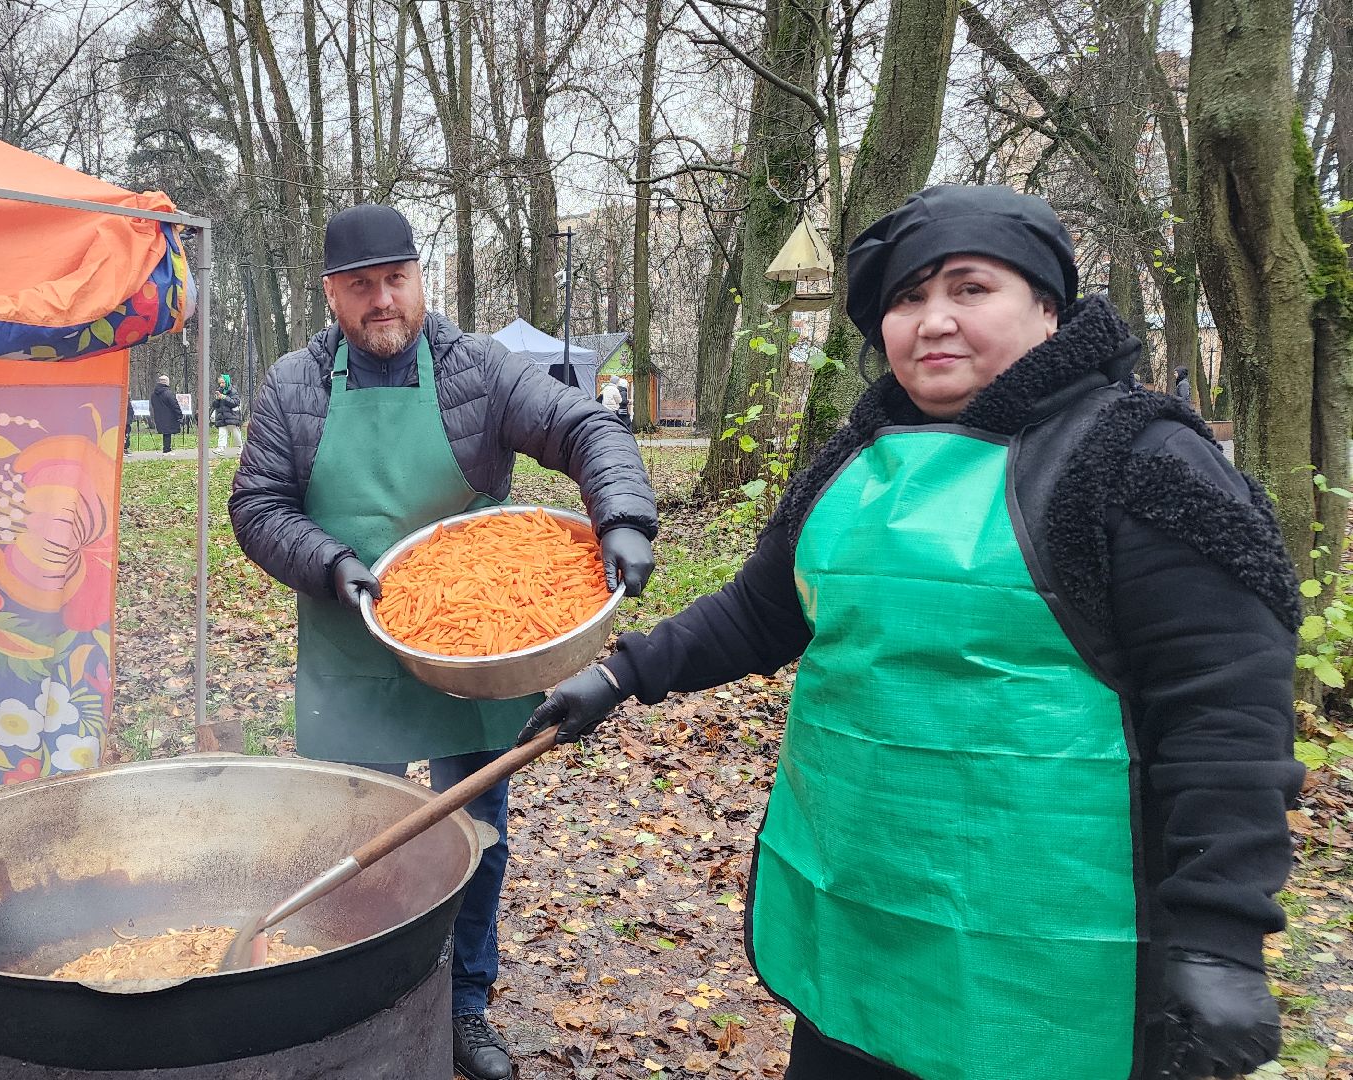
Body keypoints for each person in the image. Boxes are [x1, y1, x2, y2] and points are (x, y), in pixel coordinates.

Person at [523, 185, 1302, 1080]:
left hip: (1053, 955)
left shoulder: (1141, 457)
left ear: (1047, 305)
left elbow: (1226, 709)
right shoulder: (856, 455)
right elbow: (761, 611)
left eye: (970, 289)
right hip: (861, 916)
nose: (933, 321)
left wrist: (1220, 937)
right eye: (907, 298)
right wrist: (622, 675)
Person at [230, 203, 659, 1080]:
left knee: (478, 837)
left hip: (480, 647)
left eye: (396, 279)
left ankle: (464, 1004)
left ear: (420, 277)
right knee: (363, 846)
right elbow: (257, 507)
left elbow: (588, 427)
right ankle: (371, 999)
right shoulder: (293, 386)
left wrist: (621, 515)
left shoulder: (479, 369)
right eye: (361, 287)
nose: (382, 300)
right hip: (356, 649)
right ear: (332, 296)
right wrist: (333, 563)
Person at [150, 373, 184, 454]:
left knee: (166, 433)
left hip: (159, 416)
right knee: (168, 432)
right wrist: (179, 415)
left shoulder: (153, 394)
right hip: (169, 416)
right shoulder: (168, 393)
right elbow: (174, 405)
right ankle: (167, 450)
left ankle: (166, 448)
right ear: (166, 382)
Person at [211, 373, 245, 451]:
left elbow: (235, 403)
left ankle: (241, 447)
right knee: (222, 432)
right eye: (220, 383)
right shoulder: (219, 391)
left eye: (223, 382)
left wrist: (224, 397)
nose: (221, 384)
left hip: (231, 416)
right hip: (222, 416)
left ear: (227, 382)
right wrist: (217, 399)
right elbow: (215, 405)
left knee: (235, 433)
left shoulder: (233, 391)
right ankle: (221, 447)